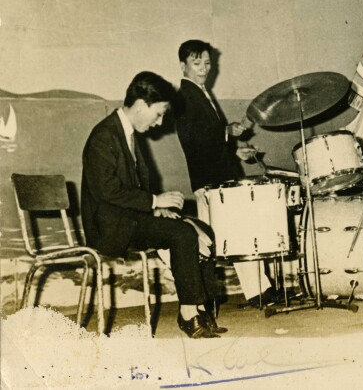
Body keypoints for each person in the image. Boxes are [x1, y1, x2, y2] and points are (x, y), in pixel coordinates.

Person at [81, 71, 222, 338]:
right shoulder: (103, 136)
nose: (159, 123)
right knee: (182, 233)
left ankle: (203, 308)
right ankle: (188, 314)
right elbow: (107, 191)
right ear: (140, 105)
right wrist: (155, 200)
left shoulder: (126, 134)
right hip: (110, 227)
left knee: (203, 229)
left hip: (129, 218)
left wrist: (156, 210)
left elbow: (128, 191)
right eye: (158, 114)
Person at [175, 40, 280, 307]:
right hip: (210, 183)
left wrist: (235, 152)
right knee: (213, 242)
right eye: (197, 63)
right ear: (183, 66)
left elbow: (207, 143)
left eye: (208, 63)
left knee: (238, 235)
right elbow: (193, 139)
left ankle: (260, 291)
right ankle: (203, 301)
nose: (204, 69)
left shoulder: (200, 93)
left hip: (218, 177)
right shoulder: (185, 96)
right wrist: (227, 130)